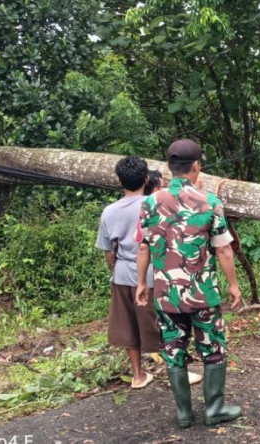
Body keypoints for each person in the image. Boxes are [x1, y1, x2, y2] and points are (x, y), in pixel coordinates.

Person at [135, 139, 243, 429]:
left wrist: (140, 284)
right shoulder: (210, 202)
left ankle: (184, 413)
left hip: (166, 294)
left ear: (169, 167)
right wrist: (233, 284)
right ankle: (215, 408)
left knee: (173, 348)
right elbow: (222, 249)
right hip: (203, 293)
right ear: (197, 165)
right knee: (213, 348)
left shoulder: (149, 202)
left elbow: (143, 247)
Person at [95, 156, 159, 389]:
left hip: (122, 273)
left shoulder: (109, 211)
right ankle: (177, 370)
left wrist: (116, 270)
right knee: (163, 322)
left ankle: (138, 375)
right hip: (154, 273)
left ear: (119, 180)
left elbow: (108, 251)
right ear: (146, 179)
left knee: (127, 324)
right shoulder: (155, 204)